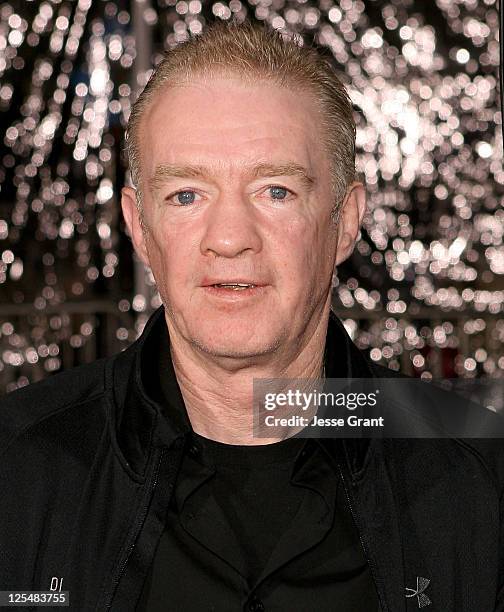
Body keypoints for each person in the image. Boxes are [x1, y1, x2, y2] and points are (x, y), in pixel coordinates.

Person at [0, 19, 503, 612]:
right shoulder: (16, 472)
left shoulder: (480, 476)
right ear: (139, 226)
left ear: (345, 221)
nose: (231, 238)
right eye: (186, 195)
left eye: (275, 191)